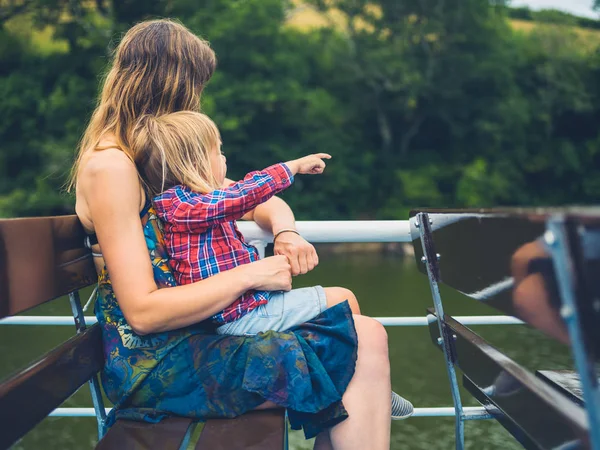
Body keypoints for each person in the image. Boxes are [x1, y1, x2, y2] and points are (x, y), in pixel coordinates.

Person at [71, 19, 406, 449]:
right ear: (174, 85)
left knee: (350, 318)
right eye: (196, 88)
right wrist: (253, 275)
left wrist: (285, 232)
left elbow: (256, 201)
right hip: (158, 365)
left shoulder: (157, 156)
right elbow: (143, 313)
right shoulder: (113, 167)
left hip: (195, 337)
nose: (197, 100)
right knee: (364, 340)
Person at [132, 111, 360, 336]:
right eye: (218, 151)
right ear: (195, 163)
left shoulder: (194, 202)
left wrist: (285, 231)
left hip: (243, 308)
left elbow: (247, 201)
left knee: (339, 306)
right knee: (343, 300)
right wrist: (291, 167)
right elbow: (242, 196)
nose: (224, 157)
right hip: (237, 316)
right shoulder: (183, 206)